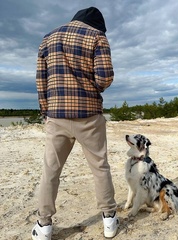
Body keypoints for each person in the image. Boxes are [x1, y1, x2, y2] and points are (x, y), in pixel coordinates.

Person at [31, 7, 119, 240]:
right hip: (89, 115)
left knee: (51, 171)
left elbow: (41, 80)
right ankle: (109, 219)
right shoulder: (97, 37)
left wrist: (46, 112)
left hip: (57, 115)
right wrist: (93, 86)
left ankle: (44, 225)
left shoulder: (48, 38)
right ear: (97, 25)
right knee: (100, 167)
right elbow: (105, 78)